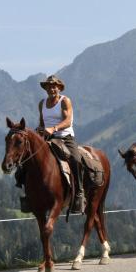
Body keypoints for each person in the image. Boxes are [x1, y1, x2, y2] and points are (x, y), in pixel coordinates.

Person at [37, 75, 85, 213]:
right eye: (49, 86)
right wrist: (40, 130)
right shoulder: (42, 103)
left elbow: (68, 121)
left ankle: (79, 193)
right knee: (29, 158)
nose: (51, 88)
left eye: (54, 86)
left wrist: (54, 128)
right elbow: (42, 123)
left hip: (65, 137)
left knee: (76, 160)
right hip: (48, 138)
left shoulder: (65, 101)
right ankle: (29, 194)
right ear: (45, 88)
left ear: (59, 88)